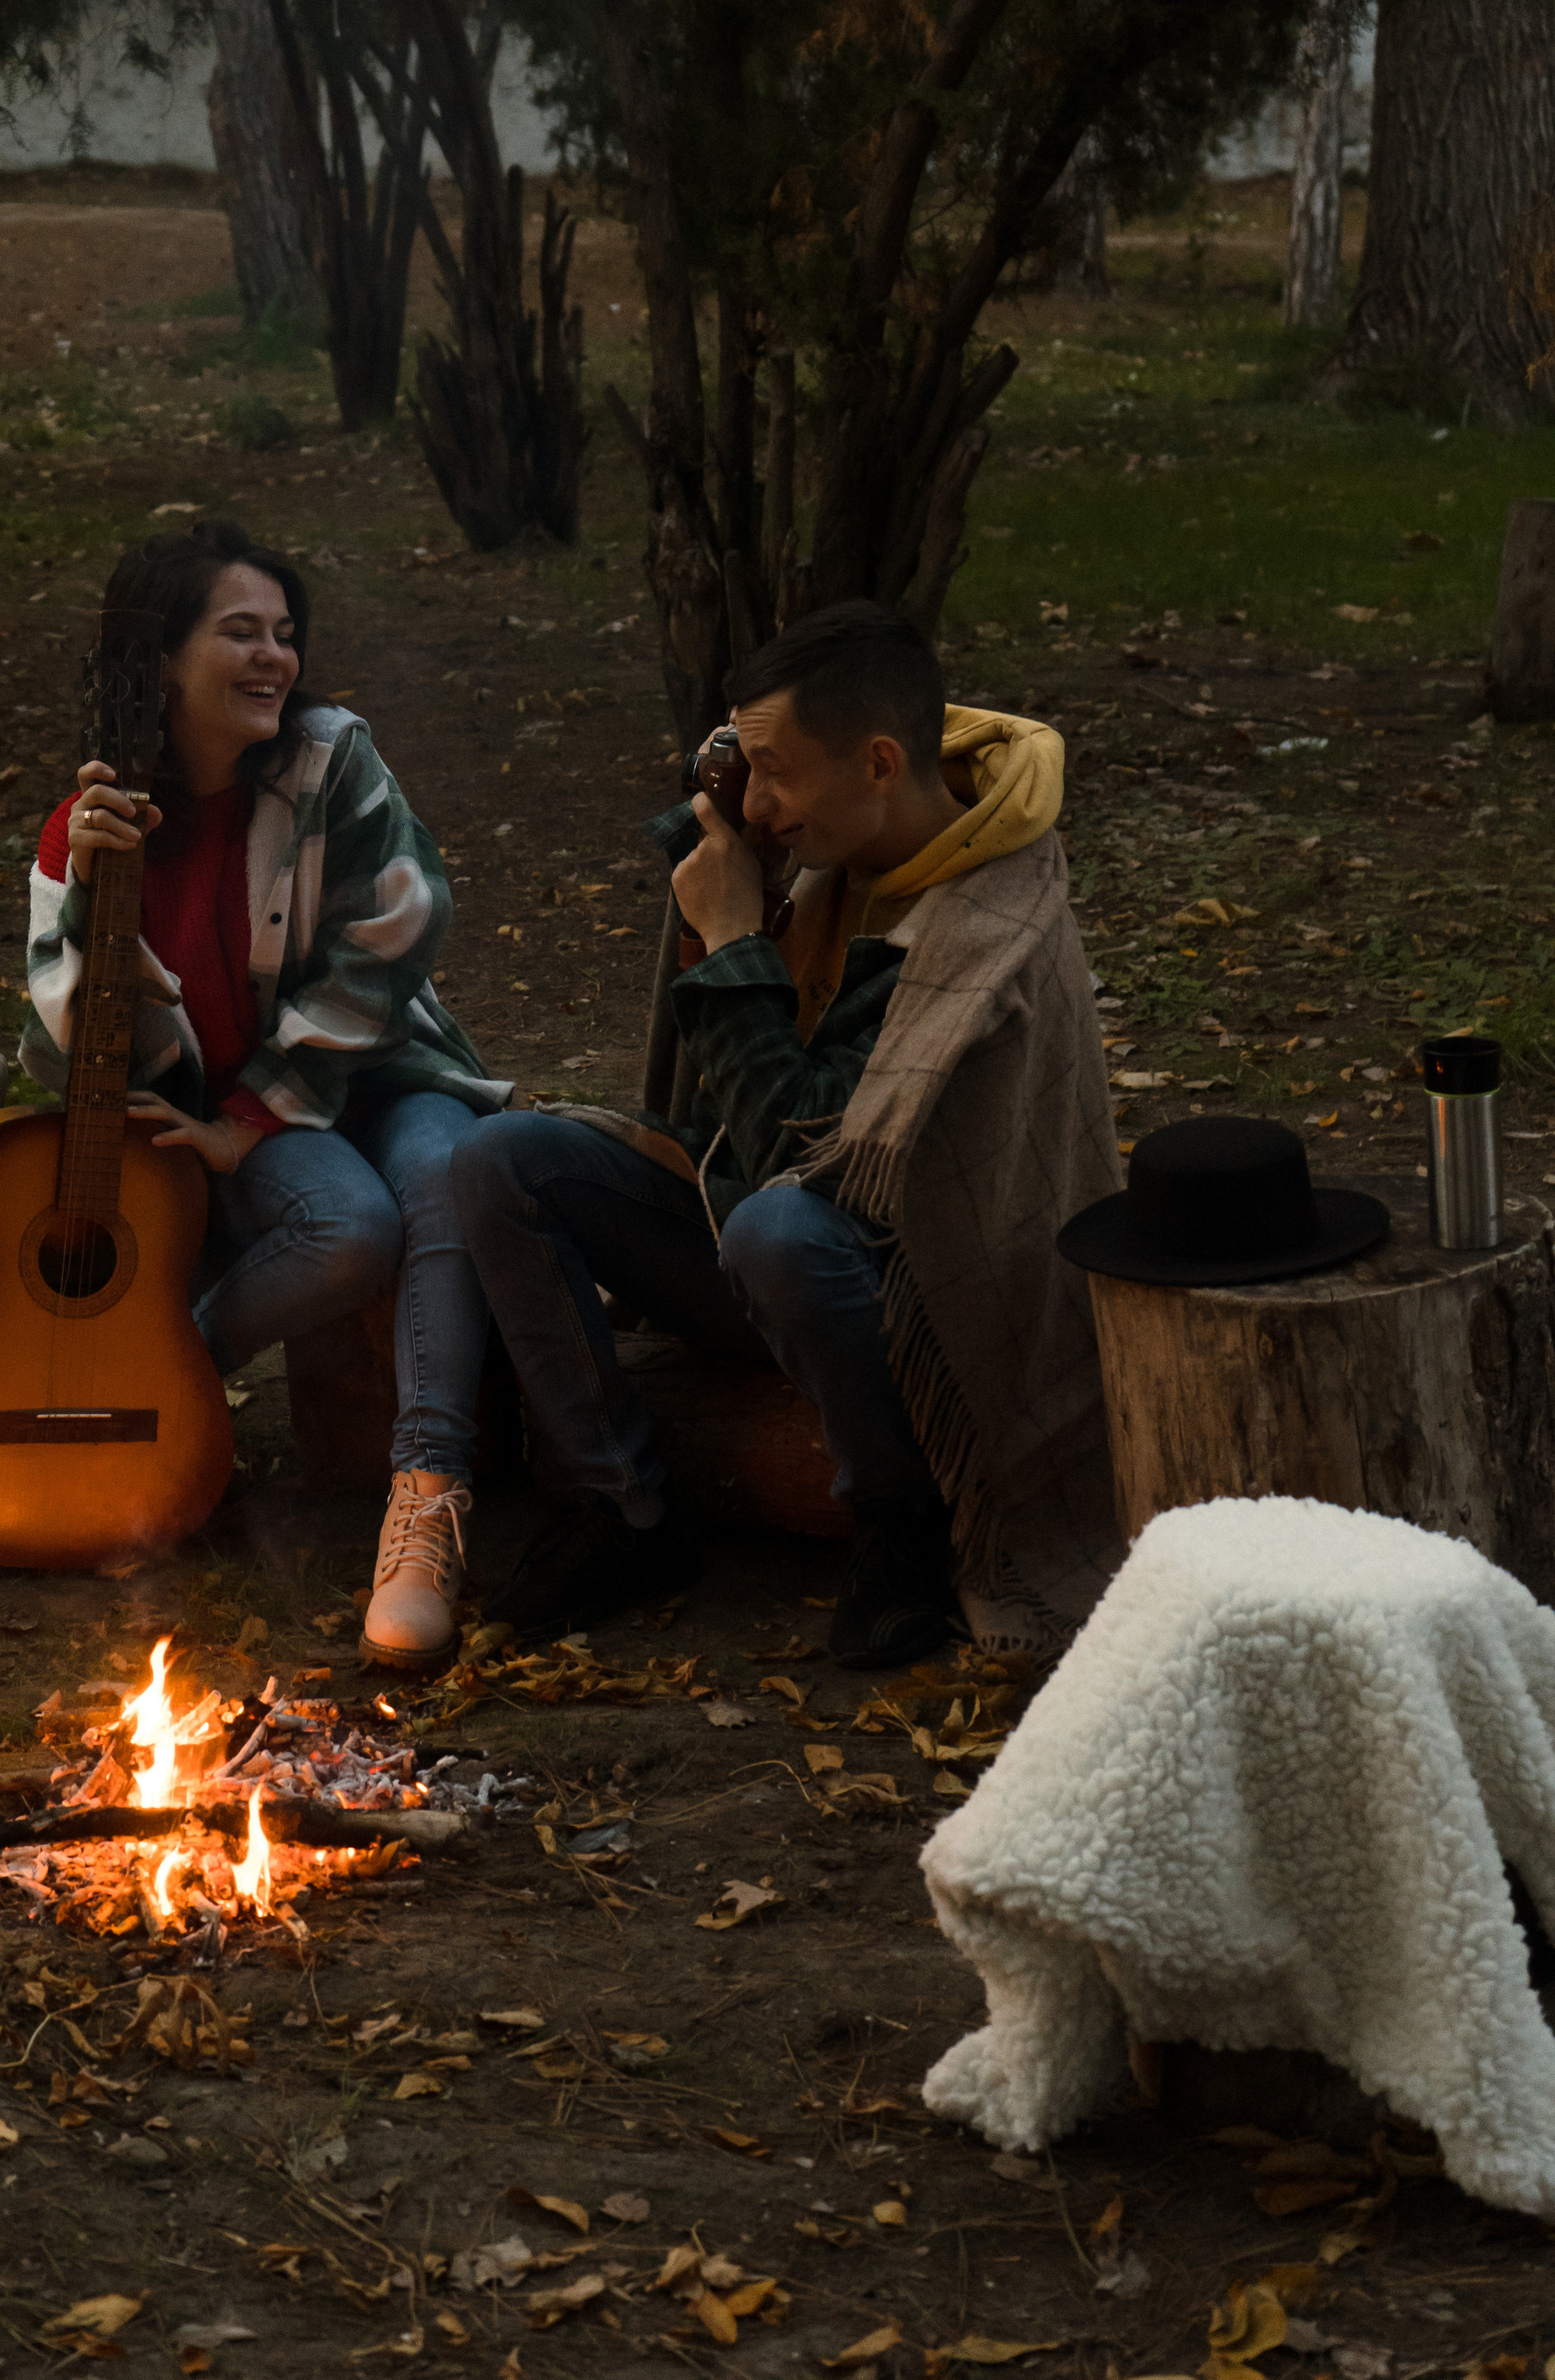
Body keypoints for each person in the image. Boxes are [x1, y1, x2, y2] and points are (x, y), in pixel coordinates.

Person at [455, 599, 1124, 1665]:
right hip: (770, 1237)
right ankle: (620, 1511)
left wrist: (730, 937)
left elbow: (793, 1151)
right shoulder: (830, 855)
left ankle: (900, 1533)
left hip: (915, 1301)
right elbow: (712, 1123)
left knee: (782, 1229)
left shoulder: (979, 926)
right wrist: (727, 851)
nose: (757, 805)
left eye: (775, 773)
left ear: (878, 762)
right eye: (744, 765)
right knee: (502, 1161)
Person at [20, 521, 508, 1663]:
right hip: (240, 1100)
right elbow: (68, 1058)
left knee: (451, 1170)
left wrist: (251, 1120)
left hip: (376, 1070)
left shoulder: (334, 760)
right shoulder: (88, 827)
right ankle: (151, 1399)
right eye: (239, 632)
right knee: (346, 1228)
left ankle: (425, 1505)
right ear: (158, 658)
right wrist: (95, 902)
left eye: (284, 634)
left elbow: (397, 934)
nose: (274, 659)